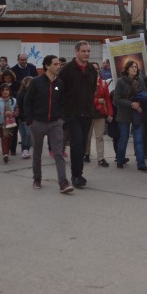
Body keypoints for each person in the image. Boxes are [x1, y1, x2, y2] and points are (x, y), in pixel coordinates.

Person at [24, 55, 73, 194]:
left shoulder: (60, 83)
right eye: (55, 64)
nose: (59, 66)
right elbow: (27, 102)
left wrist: (61, 118)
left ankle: (63, 183)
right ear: (47, 66)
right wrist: (30, 121)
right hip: (37, 123)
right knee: (37, 153)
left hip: (55, 123)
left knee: (58, 153)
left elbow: (63, 103)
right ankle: (37, 179)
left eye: (59, 64)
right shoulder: (36, 82)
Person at [60, 41, 98, 189]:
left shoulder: (92, 70)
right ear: (76, 52)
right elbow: (60, 91)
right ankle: (75, 175)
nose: (87, 54)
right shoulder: (67, 69)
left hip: (87, 114)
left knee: (82, 145)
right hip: (72, 114)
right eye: (83, 51)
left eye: (88, 51)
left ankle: (79, 173)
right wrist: (62, 113)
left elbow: (92, 90)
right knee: (77, 142)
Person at [113, 60, 147, 172]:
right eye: (132, 67)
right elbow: (116, 99)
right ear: (127, 69)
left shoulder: (140, 80)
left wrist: (139, 103)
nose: (135, 69)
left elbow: (145, 95)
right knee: (123, 139)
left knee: (139, 140)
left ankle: (141, 164)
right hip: (124, 114)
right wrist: (131, 104)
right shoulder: (120, 81)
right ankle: (120, 160)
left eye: (136, 67)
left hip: (137, 113)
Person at [86, 62, 114, 167]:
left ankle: (100, 158)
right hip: (88, 113)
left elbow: (107, 99)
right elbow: (84, 100)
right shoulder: (85, 83)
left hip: (100, 113)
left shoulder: (103, 83)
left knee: (99, 137)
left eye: (97, 69)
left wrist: (110, 113)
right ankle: (86, 154)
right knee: (87, 136)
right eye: (93, 69)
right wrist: (97, 100)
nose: (96, 71)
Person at [0, 83, 17, 164]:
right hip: (1, 123)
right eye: (3, 90)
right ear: (0, 92)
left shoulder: (14, 100)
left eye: (7, 90)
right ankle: (5, 154)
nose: (5, 92)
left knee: (9, 139)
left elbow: (17, 110)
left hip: (11, 123)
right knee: (4, 138)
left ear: (9, 91)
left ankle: (6, 151)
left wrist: (13, 113)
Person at [16, 76, 34, 159]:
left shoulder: (35, 94)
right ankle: (25, 150)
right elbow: (20, 107)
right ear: (24, 84)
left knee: (30, 137)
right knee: (26, 134)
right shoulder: (21, 94)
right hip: (23, 119)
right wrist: (22, 117)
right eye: (29, 83)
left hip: (33, 118)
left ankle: (26, 148)